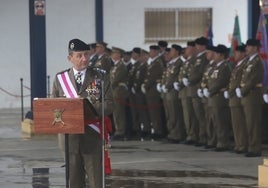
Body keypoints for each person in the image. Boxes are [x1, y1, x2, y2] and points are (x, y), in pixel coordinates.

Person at [52, 38, 113, 188]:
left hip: (92, 135)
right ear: (70, 58)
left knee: (96, 181)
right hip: (69, 137)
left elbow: (110, 104)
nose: (84, 59)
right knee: (74, 181)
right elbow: (54, 106)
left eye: (86, 54)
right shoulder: (61, 79)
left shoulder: (100, 76)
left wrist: (86, 108)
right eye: (79, 55)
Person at [236, 39, 264, 157]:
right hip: (247, 96)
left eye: (248, 46)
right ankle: (249, 146)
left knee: (253, 124)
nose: (246, 49)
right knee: (248, 123)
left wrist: (242, 91)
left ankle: (255, 148)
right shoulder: (248, 61)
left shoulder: (257, 61)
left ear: (254, 48)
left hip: (252, 96)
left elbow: (253, 79)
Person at [206, 44, 231, 151]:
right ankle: (215, 141)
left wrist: (210, 91)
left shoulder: (225, 67)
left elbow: (220, 82)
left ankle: (223, 143)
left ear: (221, 55)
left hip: (219, 99)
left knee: (221, 122)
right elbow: (210, 80)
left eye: (216, 54)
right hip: (213, 98)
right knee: (214, 122)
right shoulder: (215, 67)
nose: (214, 55)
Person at [225, 44, 248, 154]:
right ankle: (239, 145)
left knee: (240, 124)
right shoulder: (238, 65)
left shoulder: (244, 64)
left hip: (238, 97)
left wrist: (232, 91)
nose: (234, 55)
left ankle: (242, 145)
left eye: (237, 52)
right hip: (233, 97)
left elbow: (239, 81)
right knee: (236, 124)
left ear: (243, 53)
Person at [141, 45, 165, 140]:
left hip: (153, 91)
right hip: (150, 91)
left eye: (151, 51)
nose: (150, 53)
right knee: (152, 113)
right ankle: (155, 130)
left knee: (155, 113)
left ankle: (158, 131)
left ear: (156, 52)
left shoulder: (157, 63)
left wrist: (145, 86)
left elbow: (153, 77)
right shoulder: (153, 62)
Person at [109, 47, 129, 140]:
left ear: (118, 55)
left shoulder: (121, 66)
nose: (112, 55)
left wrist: (108, 85)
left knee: (119, 113)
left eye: (114, 53)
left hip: (119, 92)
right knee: (116, 113)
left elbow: (116, 80)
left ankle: (120, 131)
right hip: (114, 92)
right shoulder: (115, 66)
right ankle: (117, 130)